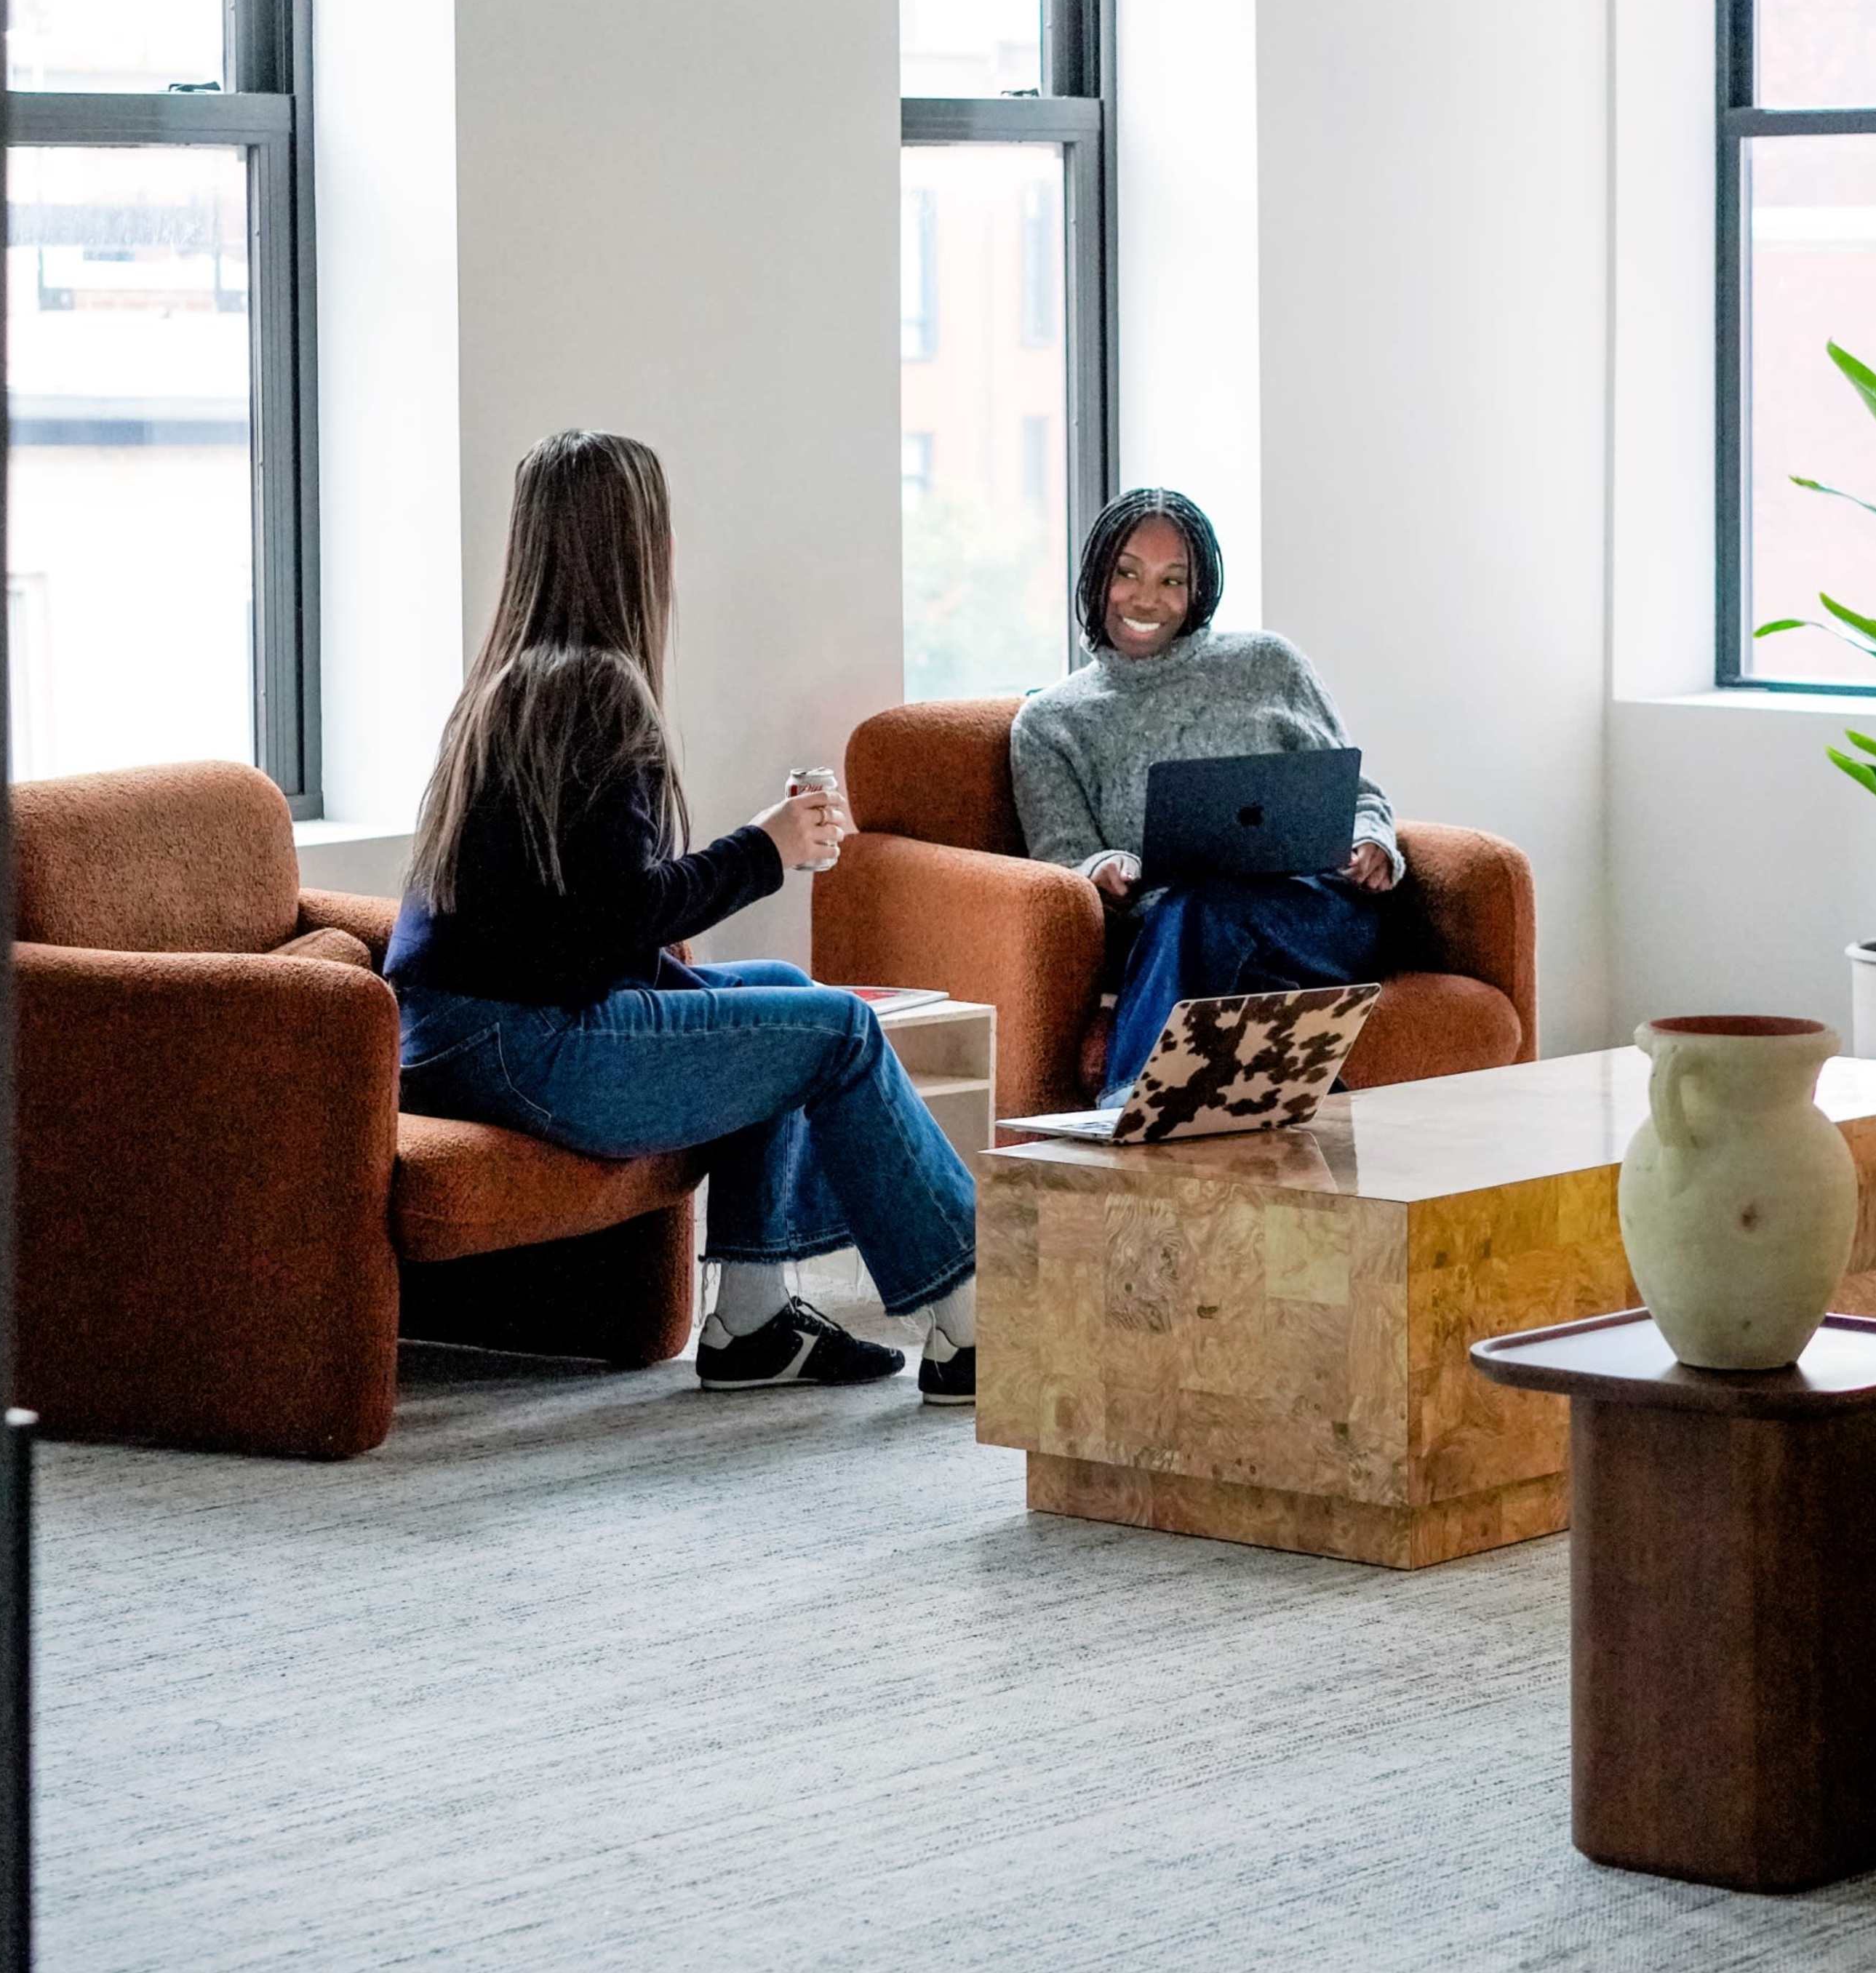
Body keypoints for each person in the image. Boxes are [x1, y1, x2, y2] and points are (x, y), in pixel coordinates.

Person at [387, 429, 979, 1401]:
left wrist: (720, 942)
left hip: (449, 1042)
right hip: (528, 1046)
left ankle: (753, 1324)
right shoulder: (597, 691)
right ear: (637, 543)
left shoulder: (506, 683)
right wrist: (771, 846)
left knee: (783, 997)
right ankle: (973, 1317)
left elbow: (565, 923)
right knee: (841, 1029)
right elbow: (622, 920)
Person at [1008, 484, 1401, 1093]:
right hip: (1175, 929)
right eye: (1128, 573)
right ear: (1095, 577)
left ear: (1199, 590)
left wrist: (1373, 843)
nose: (1147, 598)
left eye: (1172, 580)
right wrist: (1101, 866)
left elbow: (1359, 797)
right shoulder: (1053, 723)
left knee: (1203, 914)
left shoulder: (1270, 663)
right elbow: (1062, 858)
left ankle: (1124, 1105)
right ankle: (1297, 1100)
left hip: (1314, 917)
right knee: (1199, 915)